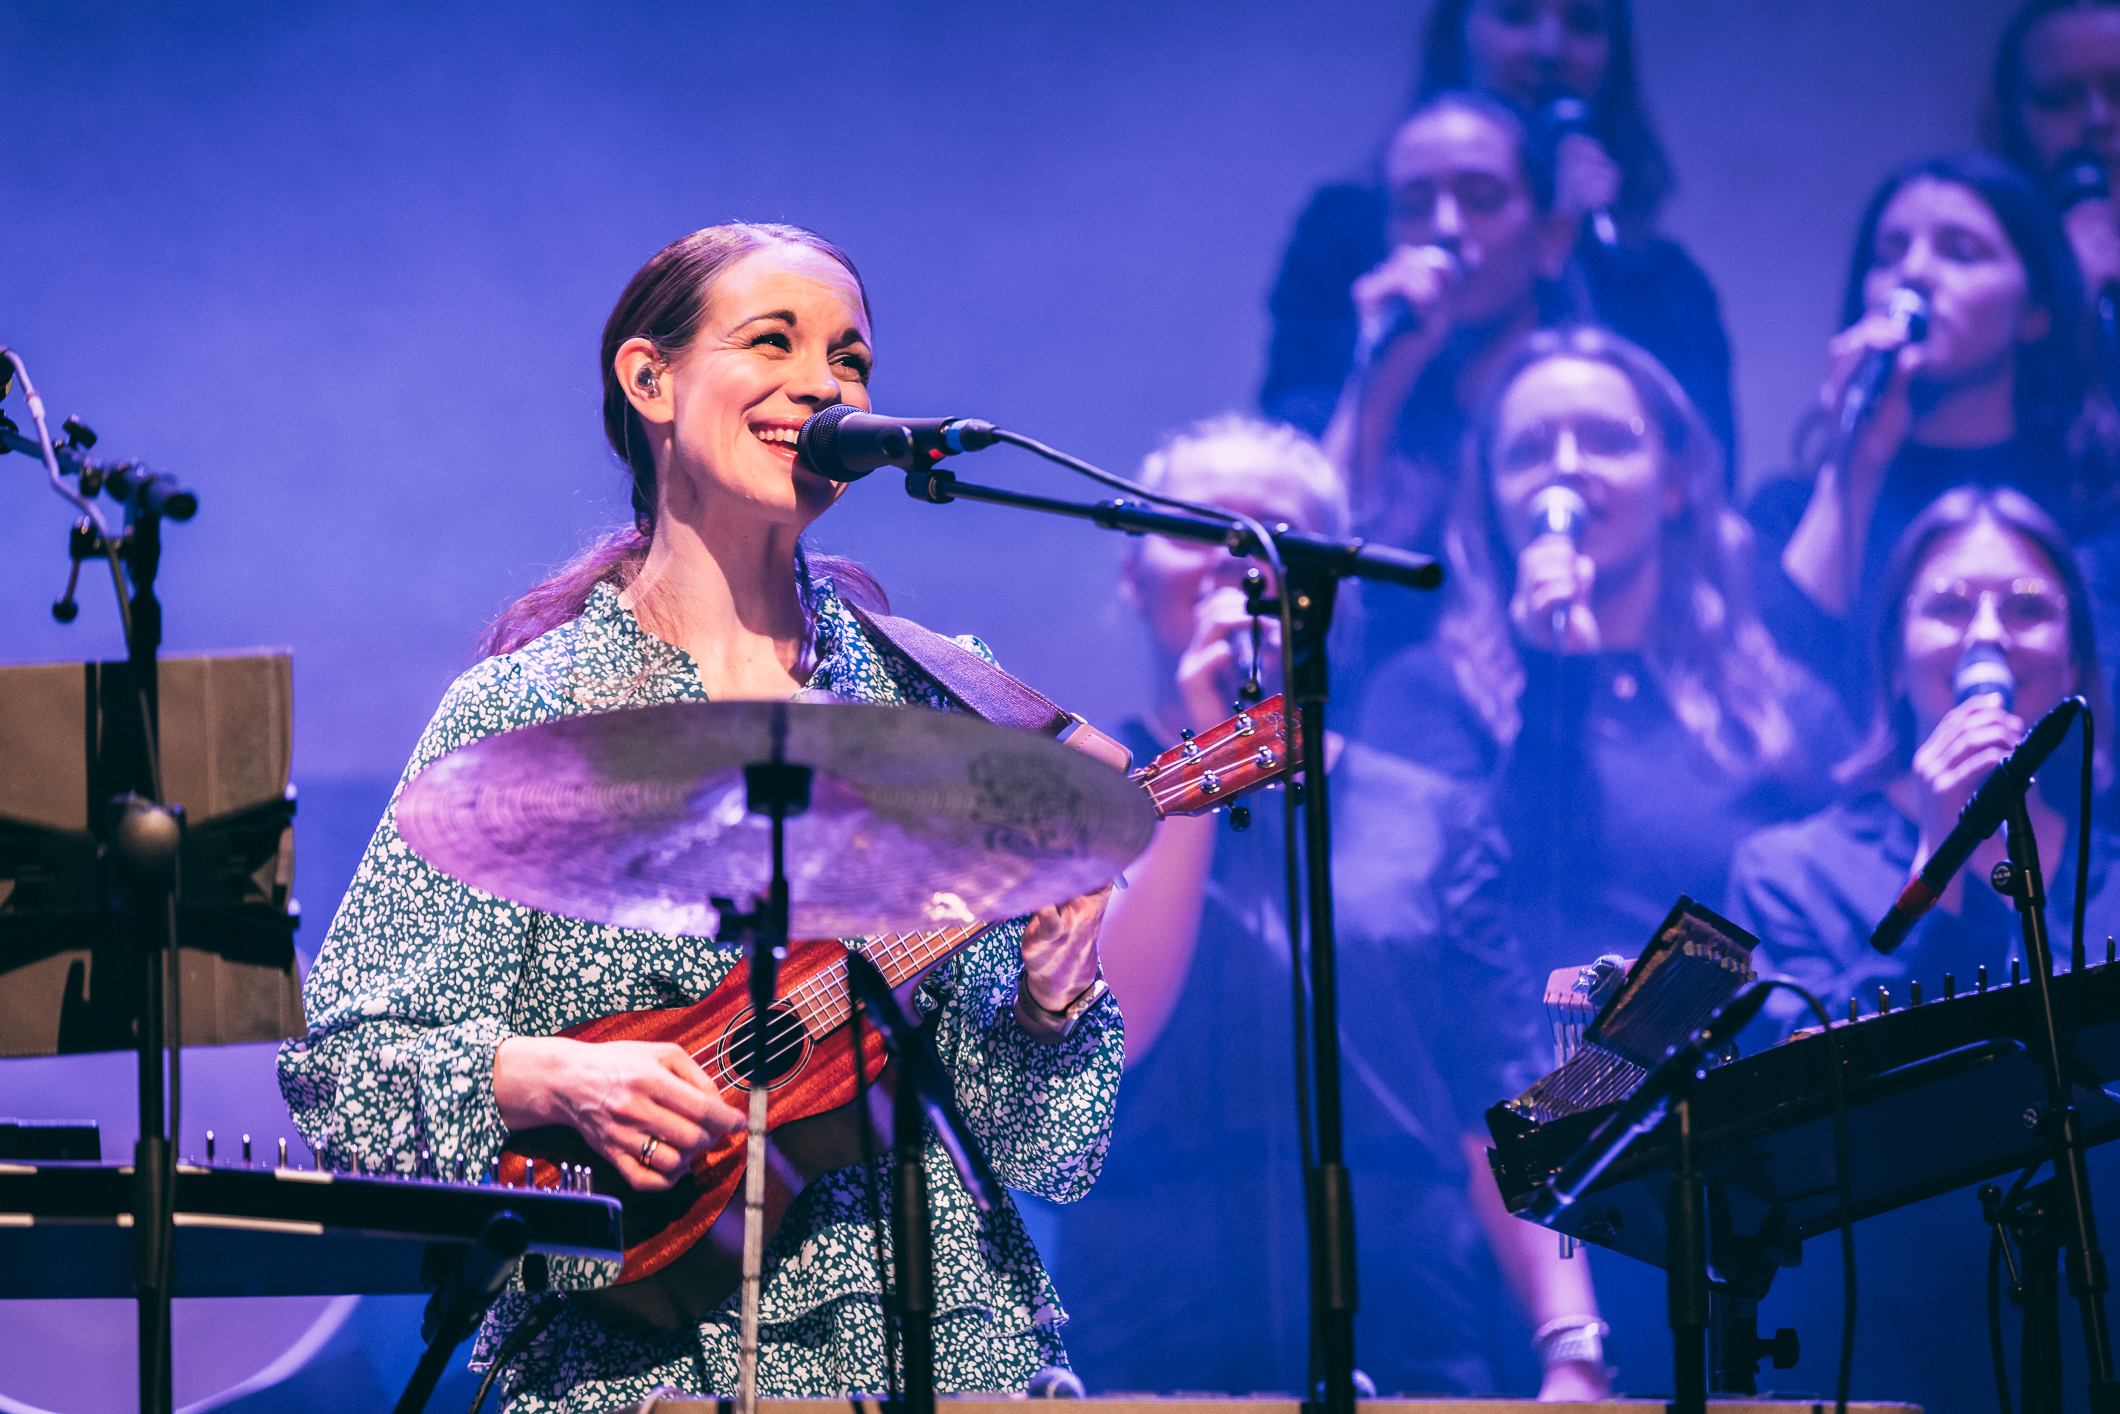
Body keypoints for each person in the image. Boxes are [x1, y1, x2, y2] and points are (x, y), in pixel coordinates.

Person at [277, 223, 1121, 1409]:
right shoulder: (533, 717)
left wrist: (1048, 999)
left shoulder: (938, 700)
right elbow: (348, 1077)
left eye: (850, 359)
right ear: (649, 377)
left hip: (948, 1360)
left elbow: (1038, 1151)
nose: (823, 384)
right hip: (634, 1368)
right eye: (771, 340)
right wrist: (552, 1077)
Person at [1047, 416, 1612, 1400]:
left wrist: (1570, 1343)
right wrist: (1204, 752)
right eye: (1200, 529)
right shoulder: (1067, 799)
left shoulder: (1428, 813)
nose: (1239, 558)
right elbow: (1107, 1027)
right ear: (1131, 581)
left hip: (1405, 1307)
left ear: (1332, 597)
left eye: (1275, 532)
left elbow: (1504, 1090)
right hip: (1152, 1310)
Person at [1358, 327, 1850, 979]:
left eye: (1609, 440)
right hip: (1529, 1072)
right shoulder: (1425, 696)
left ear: (1673, 484)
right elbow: (1470, 923)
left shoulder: (1781, 708)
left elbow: (1851, 912)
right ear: (1491, 495)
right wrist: (1552, 678)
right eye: (1528, 450)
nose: (1567, 466)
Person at [1261, 0, 1735, 479]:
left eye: (1584, 23)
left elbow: (1702, 482)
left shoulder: (1663, 287)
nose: (1549, 50)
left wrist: (1585, 252)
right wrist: (1380, 374)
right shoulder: (1343, 241)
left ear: (1553, 234)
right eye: (1515, 15)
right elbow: (1290, 488)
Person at [1728, 485, 2116, 1033]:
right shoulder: (1790, 878)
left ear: (2073, 660)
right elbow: (1823, 1089)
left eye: (2027, 607)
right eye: (1950, 606)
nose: (1987, 635)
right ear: (1893, 660)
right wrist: (1942, 863)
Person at [1747, 154, 2101, 719]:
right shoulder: (1789, 511)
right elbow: (1773, 698)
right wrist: (1853, 463)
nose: (1913, 275)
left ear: (2035, 311)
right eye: (1887, 256)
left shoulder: (2091, 510)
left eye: (1960, 252)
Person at [1312, 90, 1582, 669]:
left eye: (1482, 199)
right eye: (1413, 206)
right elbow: (1307, 575)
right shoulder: (1368, 388)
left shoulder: (1590, 388)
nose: (1446, 227)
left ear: (1552, 238)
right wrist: (1383, 374)